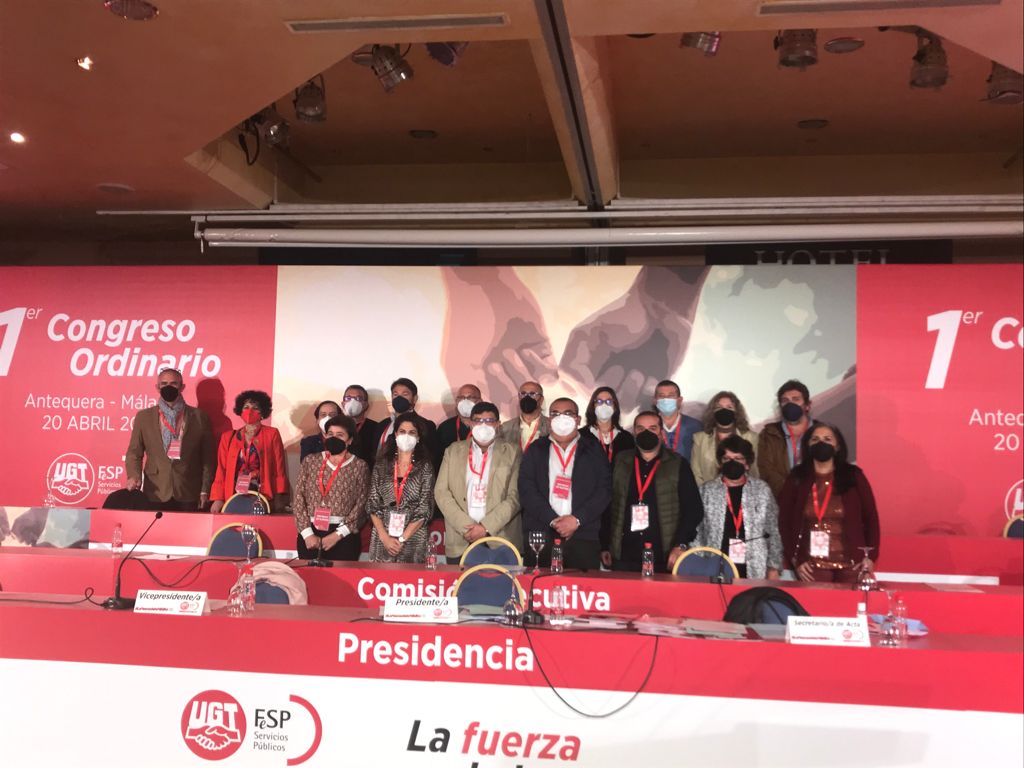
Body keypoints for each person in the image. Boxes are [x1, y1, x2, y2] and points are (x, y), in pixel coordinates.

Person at [778, 423, 881, 583]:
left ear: (837, 446)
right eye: (815, 439)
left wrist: (871, 557)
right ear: (807, 445)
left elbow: (871, 518)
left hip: (853, 564)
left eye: (827, 439)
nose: (821, 443)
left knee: (850, 600)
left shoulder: (853, 476)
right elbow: (784, 521)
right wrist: (794, 558)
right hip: (811, 565)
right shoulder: (797, 478)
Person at [518, 397, 610, 571]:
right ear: (549, 420)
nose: (561, 418)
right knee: (539, 585)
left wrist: (576, 520)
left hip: (583, 536)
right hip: (542, 535)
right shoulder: (536, 449)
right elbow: (526, 489)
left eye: (567, 413)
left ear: (578, 419)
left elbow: (603, 490)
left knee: (582, 586)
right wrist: (553, 521)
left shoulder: (593, 449)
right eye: (555, 414)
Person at [605, 411, 703, 573]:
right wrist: (605, 545)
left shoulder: (678, 464)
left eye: (652, 428)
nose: (646, 433)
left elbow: (693, 510)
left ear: (661, 433)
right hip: (624, 554)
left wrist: (680, 544)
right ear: (634, 433)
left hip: (664, 555)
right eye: (640, 428)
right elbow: (608, 505)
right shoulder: (620, 461)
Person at [679, 435, 781, 579]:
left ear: (747, 464)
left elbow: (773, 531)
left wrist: (774, 566)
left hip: (754, 569)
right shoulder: (706, 491)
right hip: (714, 568)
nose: (732, 463)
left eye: (738, 458)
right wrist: (698, 566)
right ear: (720, 463)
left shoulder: (762, 490)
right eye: (726, 459)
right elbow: (698, 532)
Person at [434, 401, 522, 561]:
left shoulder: (512, 452)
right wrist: (466, 527)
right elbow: (441, 492)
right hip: (461, 538)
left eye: (489, 421)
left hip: (500, 539)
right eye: (478, 420)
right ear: (470, 423)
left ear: (498, 424)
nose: (483, 425)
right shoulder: (453, 451)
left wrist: (486, 527)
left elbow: (515, 496)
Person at [124, 367, 215, 511]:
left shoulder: (199, 417)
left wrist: (205, 490)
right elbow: (134, 453)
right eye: (164, 384)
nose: (168, 387)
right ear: (157, 387)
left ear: (182, 387)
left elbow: (208, 459)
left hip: (189, 491)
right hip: (155, 491)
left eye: (173, 384)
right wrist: (134, 476)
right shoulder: (144, 417)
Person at [292, 415, 369, 561]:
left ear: (350, 440)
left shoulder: (359, 466)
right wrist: (307, 533)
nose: (334, 438)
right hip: (310, 533)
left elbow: (362, 504)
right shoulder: (310, 461)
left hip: (343, 536)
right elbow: (298, 498)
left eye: (340, 435)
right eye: (330, 434)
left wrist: (338, 534)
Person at [366, 412, 436, 563]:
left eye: (412, 432)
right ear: (396, 434)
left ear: (418, 437)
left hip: (413, 540)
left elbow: (425, 508)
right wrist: (385, 537)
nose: (406, 436)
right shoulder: (382, 464)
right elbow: (372, 503)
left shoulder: (425, 467)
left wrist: (402, 539)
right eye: (402, 431)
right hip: (382, 539)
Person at [209, 390, 288, 513]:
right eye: (246, 407)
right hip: (233, 496)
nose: (250, 411)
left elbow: (279, 468)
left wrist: (279, 497)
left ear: (262, 413)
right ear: (240, 411)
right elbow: (221, 469)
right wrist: (218, 498)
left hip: (263, 496)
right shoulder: (228, 437)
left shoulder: (272, 434)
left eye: (255, 408)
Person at [758, 380, 816, 499]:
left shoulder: (822, 432)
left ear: (808, 405)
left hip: (815, 501)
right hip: (781, 501)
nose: (790, 404)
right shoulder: (769, 434)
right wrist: (790, 492)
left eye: (796, 399)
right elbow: (766, 470)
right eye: (785, 400)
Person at [690, 391, 760, 487]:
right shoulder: (700, 438)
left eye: (729, 407)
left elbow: (754, 471)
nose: (724, 411)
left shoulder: (751, 437)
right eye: (719, 407)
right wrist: (707, 492)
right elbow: (696, 473)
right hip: (708, 492)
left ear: (736, 412)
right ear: (712, 412)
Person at [373, 377, 439, 468]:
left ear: (414, 398)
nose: (399, 398)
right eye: (395, 394)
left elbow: (431, 458)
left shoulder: (426, 425)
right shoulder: (382, 425)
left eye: (405, 394)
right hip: (381, 474)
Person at [582, 386, 635, 464]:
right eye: (599, 401)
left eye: (609, 402)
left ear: (615, 407)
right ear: (593, 406)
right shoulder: (580, 436)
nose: (604, 405)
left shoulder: (627, 438)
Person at [653, 379, 702, 462]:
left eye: (670, 396)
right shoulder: (648, 426)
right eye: (661, 396)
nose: (666, 400)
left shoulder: (695, 426)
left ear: (679, 400)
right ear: (655, 401)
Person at [498, 380, 549, 455]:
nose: (527, 397)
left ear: (541, 400)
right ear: (519, 398)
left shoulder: (550, 426)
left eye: (532, 394)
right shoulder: (505, 428)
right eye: (523, 394)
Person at [339, 384, 380, 466]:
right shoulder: (336, 427)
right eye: (348, 398)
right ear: (343, 403)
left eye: (358, 398)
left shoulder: (376, 428)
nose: (352, 402)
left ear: (365, 404)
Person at [437, 383, 481, 454]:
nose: (465, 401)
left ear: (479, 401)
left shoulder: (487, 425)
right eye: (461, 398)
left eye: (470, 398)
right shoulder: (445, 427)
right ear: (456, 402)